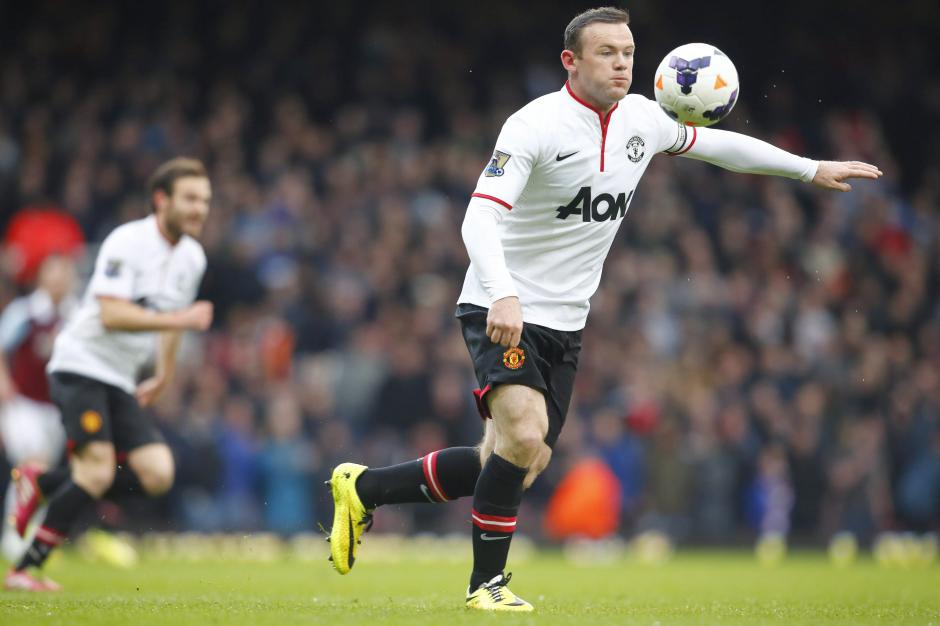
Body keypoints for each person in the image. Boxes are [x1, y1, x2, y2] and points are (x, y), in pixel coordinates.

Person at [326, 7, 882, 612]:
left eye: (628, 53)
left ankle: (366, 487)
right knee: (524, 434)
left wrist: (810, 168)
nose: (622, 64)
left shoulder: (645, 118)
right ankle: (485, 586)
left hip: (567, 321)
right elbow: (478, 215)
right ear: (571, 60)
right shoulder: (534, 124)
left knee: (517, 459)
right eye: (607, 53)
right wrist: (503, 291)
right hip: (500, 305)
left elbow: (718, 146)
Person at [4, 157, 214, 591]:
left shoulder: (193, 258)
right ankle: (25, 569)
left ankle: (41, 481)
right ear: (162, 200)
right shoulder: (128, 242)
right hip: (81, 364)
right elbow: (112, 312)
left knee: (158, 472)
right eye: (191, 198)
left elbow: (173, 317)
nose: (200, 209)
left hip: (119, 377)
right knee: (96, 472)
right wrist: (179, 322)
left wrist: (165, 375)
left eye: (205, 201)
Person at [0, 255, 77, 562]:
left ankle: (30, 532)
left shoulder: (75, 314)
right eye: (54, 273)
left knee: (41, 473)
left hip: (56, 408)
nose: (59, 280)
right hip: (24, 404)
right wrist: (3, 381)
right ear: (42, 277)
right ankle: (15, 534)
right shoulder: (26, 312)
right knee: (32, 464)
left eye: (64, 273)